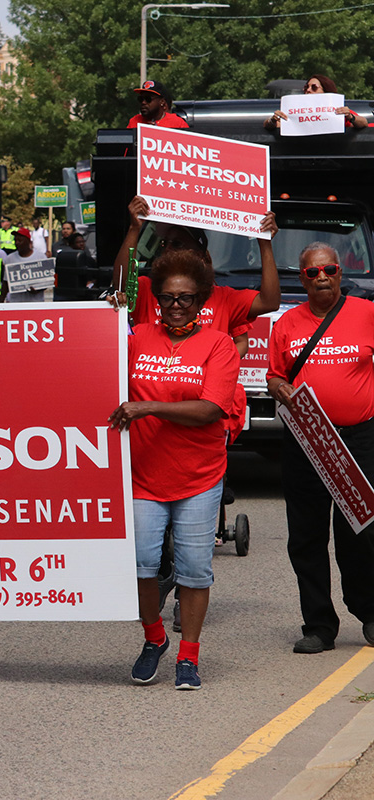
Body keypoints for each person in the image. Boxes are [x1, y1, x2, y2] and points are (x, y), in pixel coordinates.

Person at [109, 248, 240, 690]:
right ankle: (154, 639)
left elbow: (210, 409)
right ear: (157, 299)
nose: (176, 305)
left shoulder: (219, 344)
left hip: (198, 477)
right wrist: (107, 315)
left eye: (186, 297)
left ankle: (189, 655)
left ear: (201, 299)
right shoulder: (137, 337)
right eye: (167, 297)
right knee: (141, 566)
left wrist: (147, 408)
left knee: (194, 570)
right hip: (143, 476)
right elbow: (96, 354)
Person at [267, 243, 374, 654]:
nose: (322, 277)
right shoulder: (287, 324)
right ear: (302, 279)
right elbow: (274, 376)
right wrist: (280, 388)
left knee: (361, 531)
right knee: (307, 536)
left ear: (340, 273)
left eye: (328, 270)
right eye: (313, 273)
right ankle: (319, 626)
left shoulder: (366, 313)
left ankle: (369, 612)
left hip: (359, 438)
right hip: (307, 440)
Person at [113, 197, 280, 357]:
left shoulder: (224, 298)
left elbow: (269, 302)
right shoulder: (147, 288)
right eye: (165, 243)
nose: (168, 249)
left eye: (177, 243)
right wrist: (134, 228)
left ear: (199, 254)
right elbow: (120, 283)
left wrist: (264, 243)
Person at [265, 74, 368, 131]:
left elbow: (363, 123)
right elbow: (270, 125)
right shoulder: (295, 110)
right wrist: (272, 120)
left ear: (326, 90)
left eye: (314, 87)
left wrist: (350, 117)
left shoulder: (338, 110)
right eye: (306, 87)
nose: (308, 90)